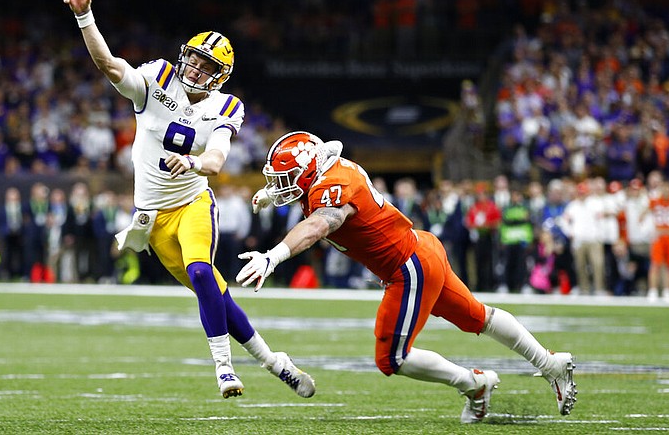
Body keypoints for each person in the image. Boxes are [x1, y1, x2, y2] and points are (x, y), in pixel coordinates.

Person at [62, 0, 315, 399]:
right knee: (214, 291)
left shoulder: (225, 106)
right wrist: (85, 14)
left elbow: (216, 160)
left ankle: (224, 369)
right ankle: (275, 362)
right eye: (194, 59)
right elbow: (108, 64)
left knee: (201, 271)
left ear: (221, 76)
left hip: (192, 201)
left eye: (206, 65)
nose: (196, 68)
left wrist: (194, 162)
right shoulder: (158, 77)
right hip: (152, 218)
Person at [239, 131, 577, 423]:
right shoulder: (329, 171)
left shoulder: (332, 186)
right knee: (477, 316)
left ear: (307, 172)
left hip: (407, 265)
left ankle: (473, 383)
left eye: (282, 180)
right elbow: (314, 197)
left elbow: (319, 224)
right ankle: (550, 363)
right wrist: (273, 193)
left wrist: (274, 256)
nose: (278, 187)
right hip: (420, 248)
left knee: (390, 359)